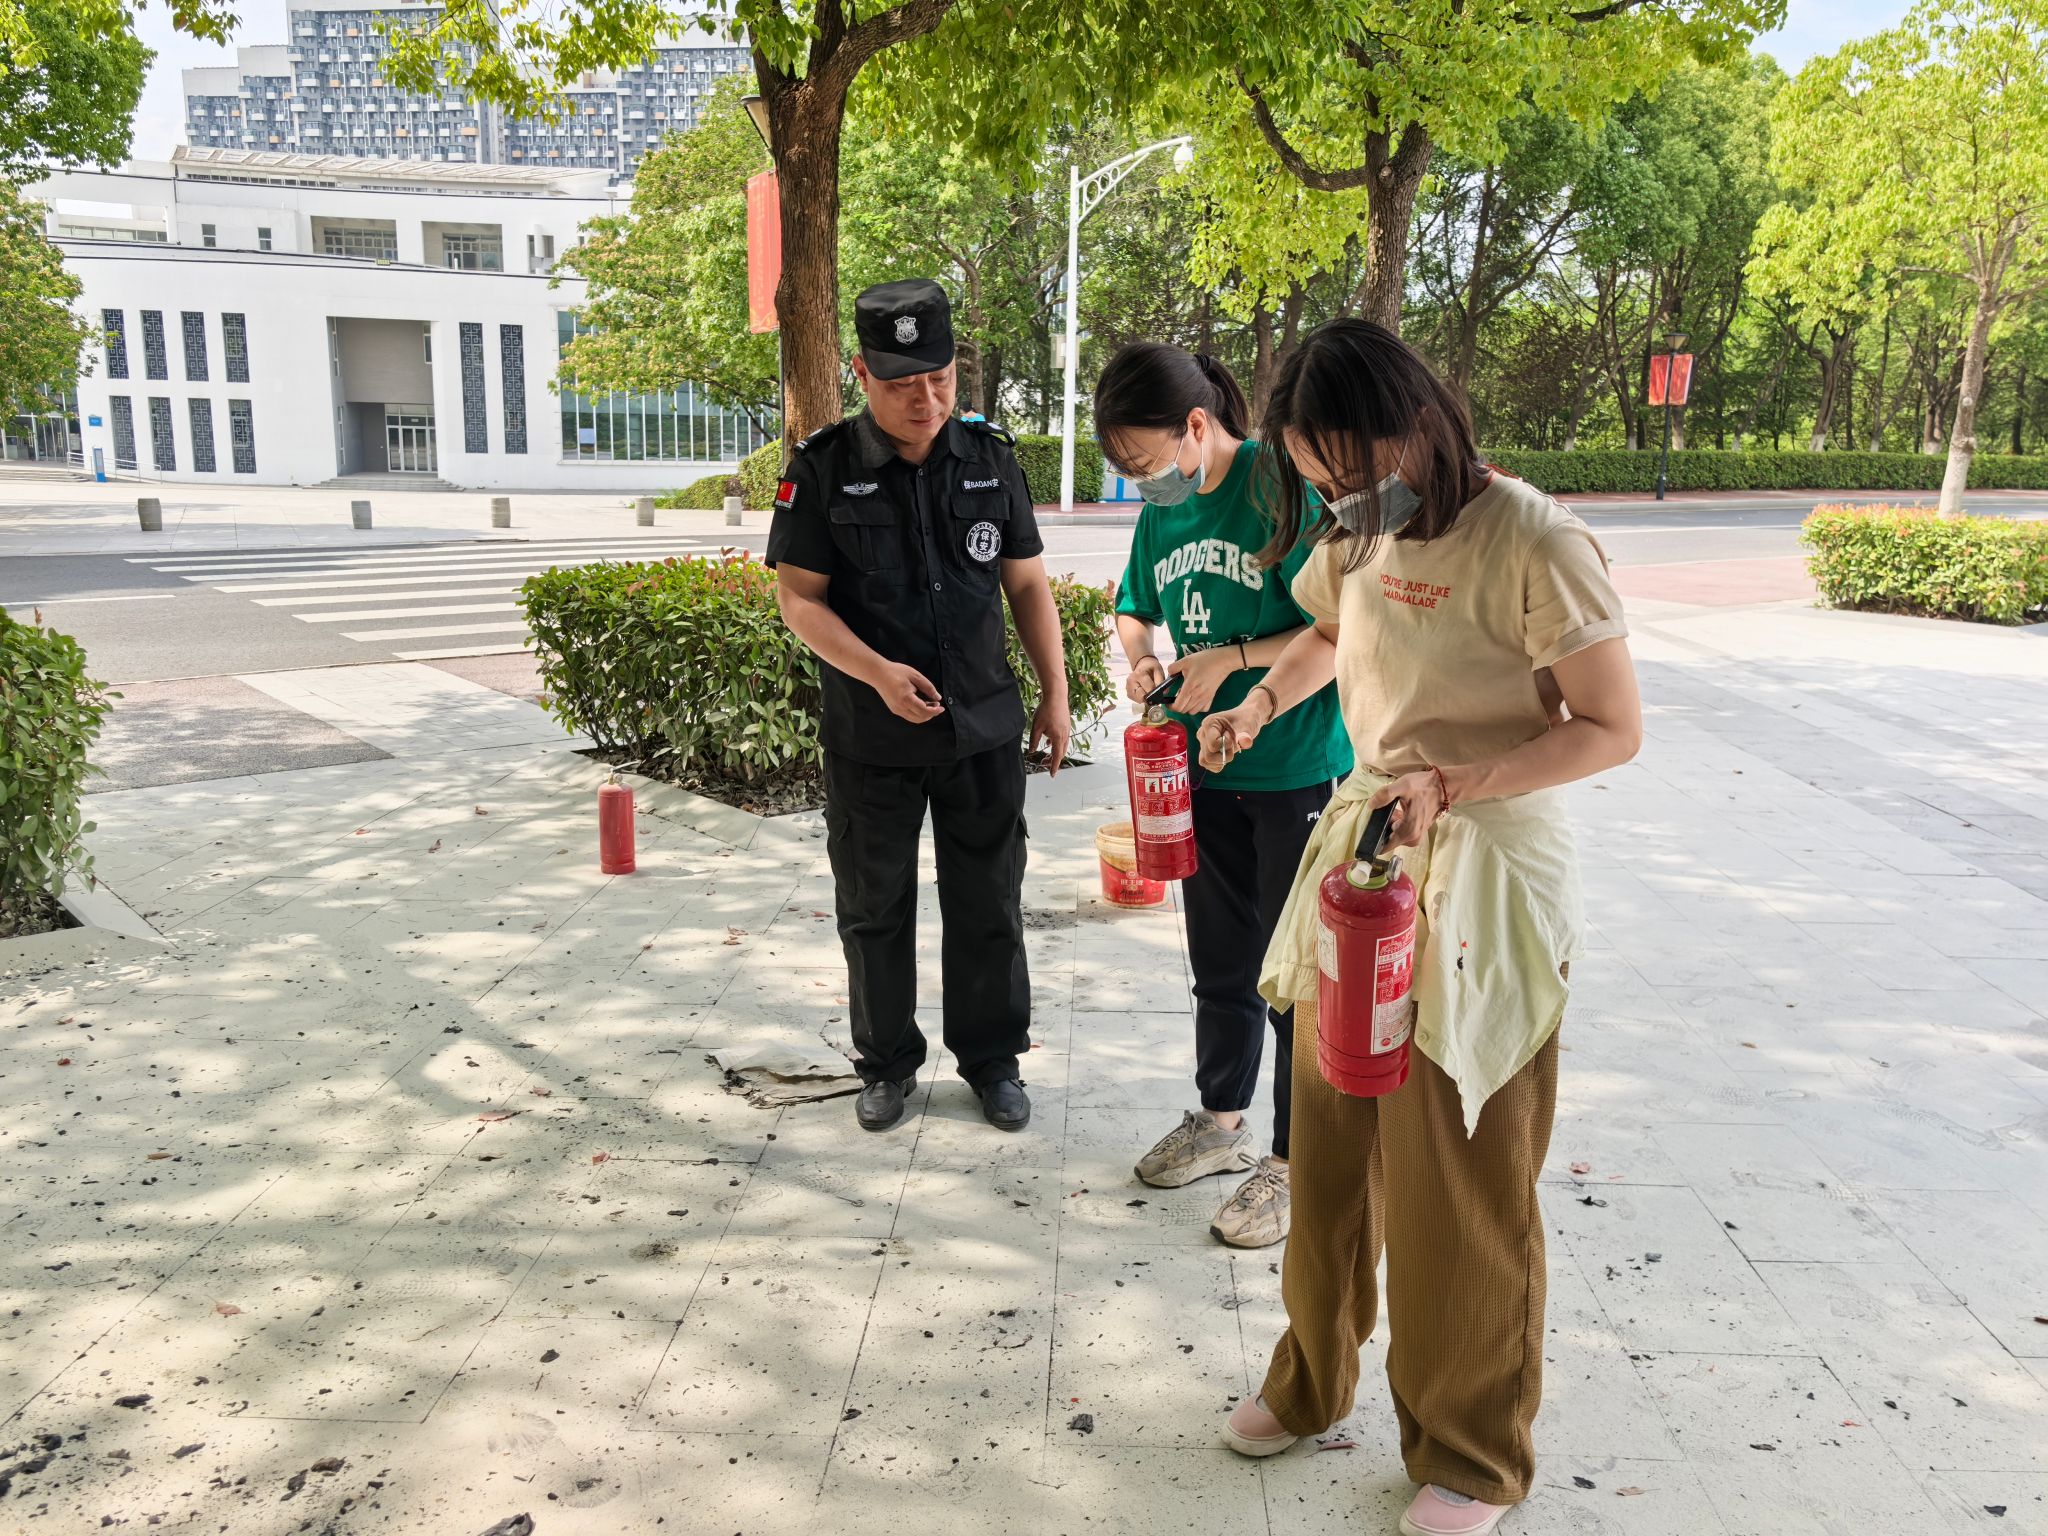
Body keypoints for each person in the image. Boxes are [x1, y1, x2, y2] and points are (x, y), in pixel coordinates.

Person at [1198, 320, 1641, 1536]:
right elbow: (1327, 631)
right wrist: (1256, 702)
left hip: (1486, 872)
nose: (1344, 501)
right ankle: (1310, 1378)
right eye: (1321, 482)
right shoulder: (1360, 526)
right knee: (1329, 1140)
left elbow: (1610, 727)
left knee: (1458, 1173)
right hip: (1365, 852)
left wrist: (1457, 782)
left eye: (1353, 470)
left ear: (1420, 420)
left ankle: (1470, 1452)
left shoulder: (1533, 538)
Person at [766, 278, 1073, 1135]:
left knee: (990, 902)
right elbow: (799, 601)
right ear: (861, 372)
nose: (926, 400)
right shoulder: (822, 468)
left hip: (982, 728)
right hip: (872, 736)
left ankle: (993, 1061)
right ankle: (886, 1064)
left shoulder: (990, 458)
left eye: (938, 379)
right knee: (875, 908)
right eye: (903, 383)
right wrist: (877, 674)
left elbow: (1026, 584)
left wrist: (1055, 693)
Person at [1095, 342, 1351, 1248]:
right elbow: (1134, 604)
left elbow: (1336, 624)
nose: (1143, 482)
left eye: (1145, 459)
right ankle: (1221, 1119)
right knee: (1220, 960)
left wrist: (1230, 662)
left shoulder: (1282, 483)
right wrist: (1144, 659)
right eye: (1128, 470)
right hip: (1202, 769)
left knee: (1293, 977)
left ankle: (1294, 1158)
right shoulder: (1165, 507)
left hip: (1293, 764)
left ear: (1195, 425)